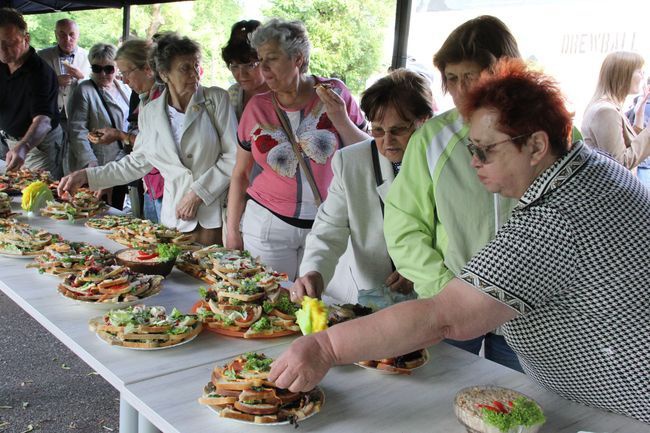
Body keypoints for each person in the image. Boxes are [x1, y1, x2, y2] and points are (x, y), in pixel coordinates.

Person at [269, 58, 650, 425]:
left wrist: (325, 348)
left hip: (626, 410)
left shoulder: (553, 220)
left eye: (486, 150)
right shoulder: (595, 172)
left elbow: (445, 318)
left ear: (536, 146)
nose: (474, 163)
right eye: (472, 148)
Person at [383, 15, 523, 371]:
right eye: (451, 78)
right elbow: (404, 227)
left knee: (524, 405)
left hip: (527, 310)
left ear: (504, 71)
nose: (461, 89)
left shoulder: (547, 133)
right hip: (453, 304)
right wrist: (446, 291)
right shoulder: (432, 139)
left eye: (471, 76)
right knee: (442, 398)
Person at [58, 32, 237, 246]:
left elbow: (233, 155)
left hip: (211, 214)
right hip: (174, 215)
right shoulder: (150, 111)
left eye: (195, 65)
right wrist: (86, 175)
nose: (194, 74)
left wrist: (198, 193)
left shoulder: (215, 99)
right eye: (185, 68)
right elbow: (137, 162)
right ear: (164, 73)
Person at [226, 18, 368, 279]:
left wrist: (342, 121)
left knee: (320, 306)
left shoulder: (334, 93)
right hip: (267, 225)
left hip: (328, 226)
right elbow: (240, 173)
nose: (263, 69)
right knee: (271, 303)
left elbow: (367, 154)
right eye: (260, 60)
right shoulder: (257, 107)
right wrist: (232, 232)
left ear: (298, 58)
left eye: (272, 58)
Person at [291, 69, 434, 307]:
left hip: (431, 298)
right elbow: (328, 229)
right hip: (367, 291)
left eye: (398, 130)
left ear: (424, 121)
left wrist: (417, 270)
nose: (387, 142)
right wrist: (313, 272)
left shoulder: (443, 164)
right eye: (377, 130)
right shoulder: (352, 162)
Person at [87, 38, 165, 221]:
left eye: (125, 73)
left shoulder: (164, 101)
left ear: (147, 68)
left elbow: (151, 151)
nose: (124, 80)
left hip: (166, 189)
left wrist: (120, 135)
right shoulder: (145, 98)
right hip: (151, 185)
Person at [66, 43, 132, 209]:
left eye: (108, 69)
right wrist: (90, 162)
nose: (102, 74)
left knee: (115, 207)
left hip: (120, 161)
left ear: (116, 68)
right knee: (94, 212)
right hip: (97, 163)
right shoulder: (84, 89)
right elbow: (77, 130)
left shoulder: (125, 88)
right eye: (97, 68)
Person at [0, 8, 63, 178]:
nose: (2, 50)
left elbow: (43, 121)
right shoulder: (2, 63)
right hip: (6, 139)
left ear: (26, 39)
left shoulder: (41, 73)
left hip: (37, 146)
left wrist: (24, 146)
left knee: (38, 194)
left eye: (9, 43)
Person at [581, 51, 650, 169]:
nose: (643, 77)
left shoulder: (607, 107)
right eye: (639, 72)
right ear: (623, 75)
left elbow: (627, 147)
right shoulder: (606, 111)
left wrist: (639, 115)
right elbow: (620, 164)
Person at [37, 19, 91, 126]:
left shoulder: (88, 56)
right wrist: (54, 81)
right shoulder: (42, 56)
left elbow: (95, 86)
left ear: (78, 35)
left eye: (72, 35)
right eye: (62, 35)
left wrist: (81, 77)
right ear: (55, 34)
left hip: (79, 113)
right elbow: (33, 83)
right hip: (50, 114)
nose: (67, 39)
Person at [221, 19, 269, 120]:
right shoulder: (233, 94)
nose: (242, 75)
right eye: (235, 66)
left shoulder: (281, 94)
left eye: (250, 65)